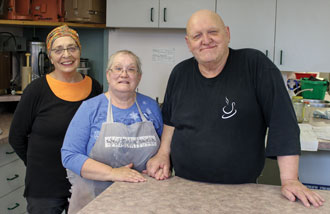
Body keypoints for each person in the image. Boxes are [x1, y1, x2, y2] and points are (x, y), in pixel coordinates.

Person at [146, 9, 325, 208]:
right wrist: (162, 154)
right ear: (189, 43)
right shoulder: (180, 73)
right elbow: (171, 120)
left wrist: (290, 179)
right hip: (184, 186)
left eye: (213, 32)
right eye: (197, 35)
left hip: (241, 190)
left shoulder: (255, 65)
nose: (206, 40)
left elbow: (282, 121)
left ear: (227, 34)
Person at [9, 25, 103, 214]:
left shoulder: (94, 88)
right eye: (58, 50)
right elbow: (16, 137)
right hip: (44, 187)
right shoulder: (36, 90)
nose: (66, 55)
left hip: (83, 181)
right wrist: (38, 166)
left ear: (79, 51)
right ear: (50, 56)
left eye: (71, 48)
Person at [61, 50, 163, 213]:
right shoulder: (90, 108)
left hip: (144, 201)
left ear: (139, 77)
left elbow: (165, 148)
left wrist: (159, 160)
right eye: (118, 68)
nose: (124, 74)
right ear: (108, 75)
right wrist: (113, 173)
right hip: (95, 201)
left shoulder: (151, 107)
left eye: (131, 69)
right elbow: (69, 155)